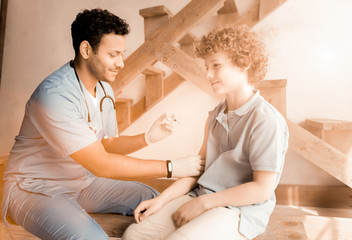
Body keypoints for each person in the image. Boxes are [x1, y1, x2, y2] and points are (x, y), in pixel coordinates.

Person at [1, 8, 203, 240]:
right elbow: (100, 163)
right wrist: (172, 167)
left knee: (154, 198)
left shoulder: (104, 89)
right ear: (86, 50)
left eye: (122, 54)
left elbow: (106, 145)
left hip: (82, 182)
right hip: (34, 189)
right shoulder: (55, 95)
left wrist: (148, 137)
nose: (121, 63)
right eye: (113, 55)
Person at [122, 25, 289, 240]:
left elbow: (261, 189)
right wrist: (161, 200)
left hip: (240, 210)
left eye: (216, 65)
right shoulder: (214, 115)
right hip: (202, 195)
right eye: (206, 66)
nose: (208, 74)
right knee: (133, 235)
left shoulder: (266, 121)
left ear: (244, 64)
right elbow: (198, 168)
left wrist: (202, 204)